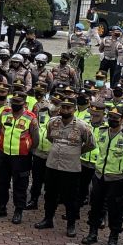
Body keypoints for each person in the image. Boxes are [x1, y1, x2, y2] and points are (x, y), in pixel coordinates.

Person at [38, 93, 95, 237]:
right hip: (52, 165)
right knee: (50, 194)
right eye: (63, 107)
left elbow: (90, 144)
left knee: (71, 198)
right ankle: (48, 219)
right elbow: (50, 137)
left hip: (71, 168)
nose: (65, 110)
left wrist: (75, 152)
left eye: (68, 108)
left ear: (74, 109)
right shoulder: (53, 122)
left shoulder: (83, 126)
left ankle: (71, 225)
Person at [84, 107, 123, 245]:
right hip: (99, 174)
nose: (113, 119)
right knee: (95, 206)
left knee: (115, 209)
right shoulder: (102, 131)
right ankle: (92, 233)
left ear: (122, 119)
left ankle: (113, 237)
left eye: (116, 117)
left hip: (117, 178)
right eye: (111, 116)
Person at [0, 93, 39, 223]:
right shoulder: (5, 113)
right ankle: (1, 207)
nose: (15, 107)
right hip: (4, 154)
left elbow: (36, 139)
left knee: (20, 185)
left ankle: (18, 211)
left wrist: (27, 149)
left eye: (18, 105)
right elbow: (0, 129)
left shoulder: (31, 118)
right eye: (13, 104)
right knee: (1, 183)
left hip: (21, 157)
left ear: (24, 105)